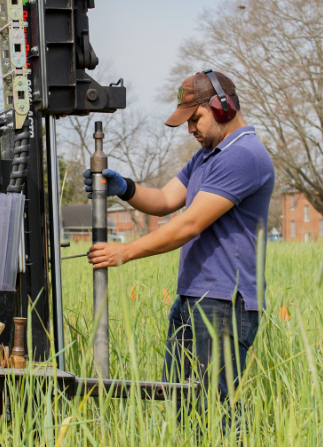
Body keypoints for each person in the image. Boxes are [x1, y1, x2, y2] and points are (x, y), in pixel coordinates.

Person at [84, 70, 274, 404]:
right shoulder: (205, 156)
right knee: (181, 410)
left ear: (223, 107)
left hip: (223, 303)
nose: (190, 130)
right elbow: (164, 201)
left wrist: (125, 252)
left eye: (195, 119)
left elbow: (189, 224)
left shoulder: (243, 155)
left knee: (215, 418)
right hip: (192, 298)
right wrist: (125, 188)